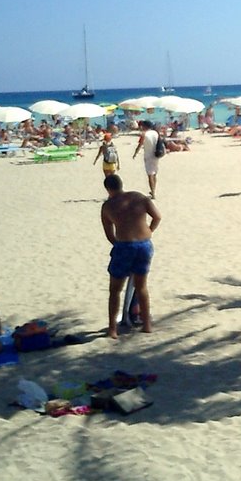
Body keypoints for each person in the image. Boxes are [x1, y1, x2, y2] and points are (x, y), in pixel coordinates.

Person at [100, 174, 161, 339]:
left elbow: (109, 234)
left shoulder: (107, 206)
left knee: (115, 290)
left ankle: (113, 329)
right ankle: (147, 325)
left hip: (124, 247)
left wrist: (119, 244)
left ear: (108, 189)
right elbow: (157, 217)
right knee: (141, 287)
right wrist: (148, 231)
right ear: (121, 184)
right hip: (144, 245)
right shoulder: (139, 197)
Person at [132, 120, 161, 199]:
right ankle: (153, 190)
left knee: (150, 174)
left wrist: (135, 153)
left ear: (145, 126)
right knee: (154, 173)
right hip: (156, 154)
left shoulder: (144, 134)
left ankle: (153, 192)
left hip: (148, 156)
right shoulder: (155, 133)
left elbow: (140, 145)